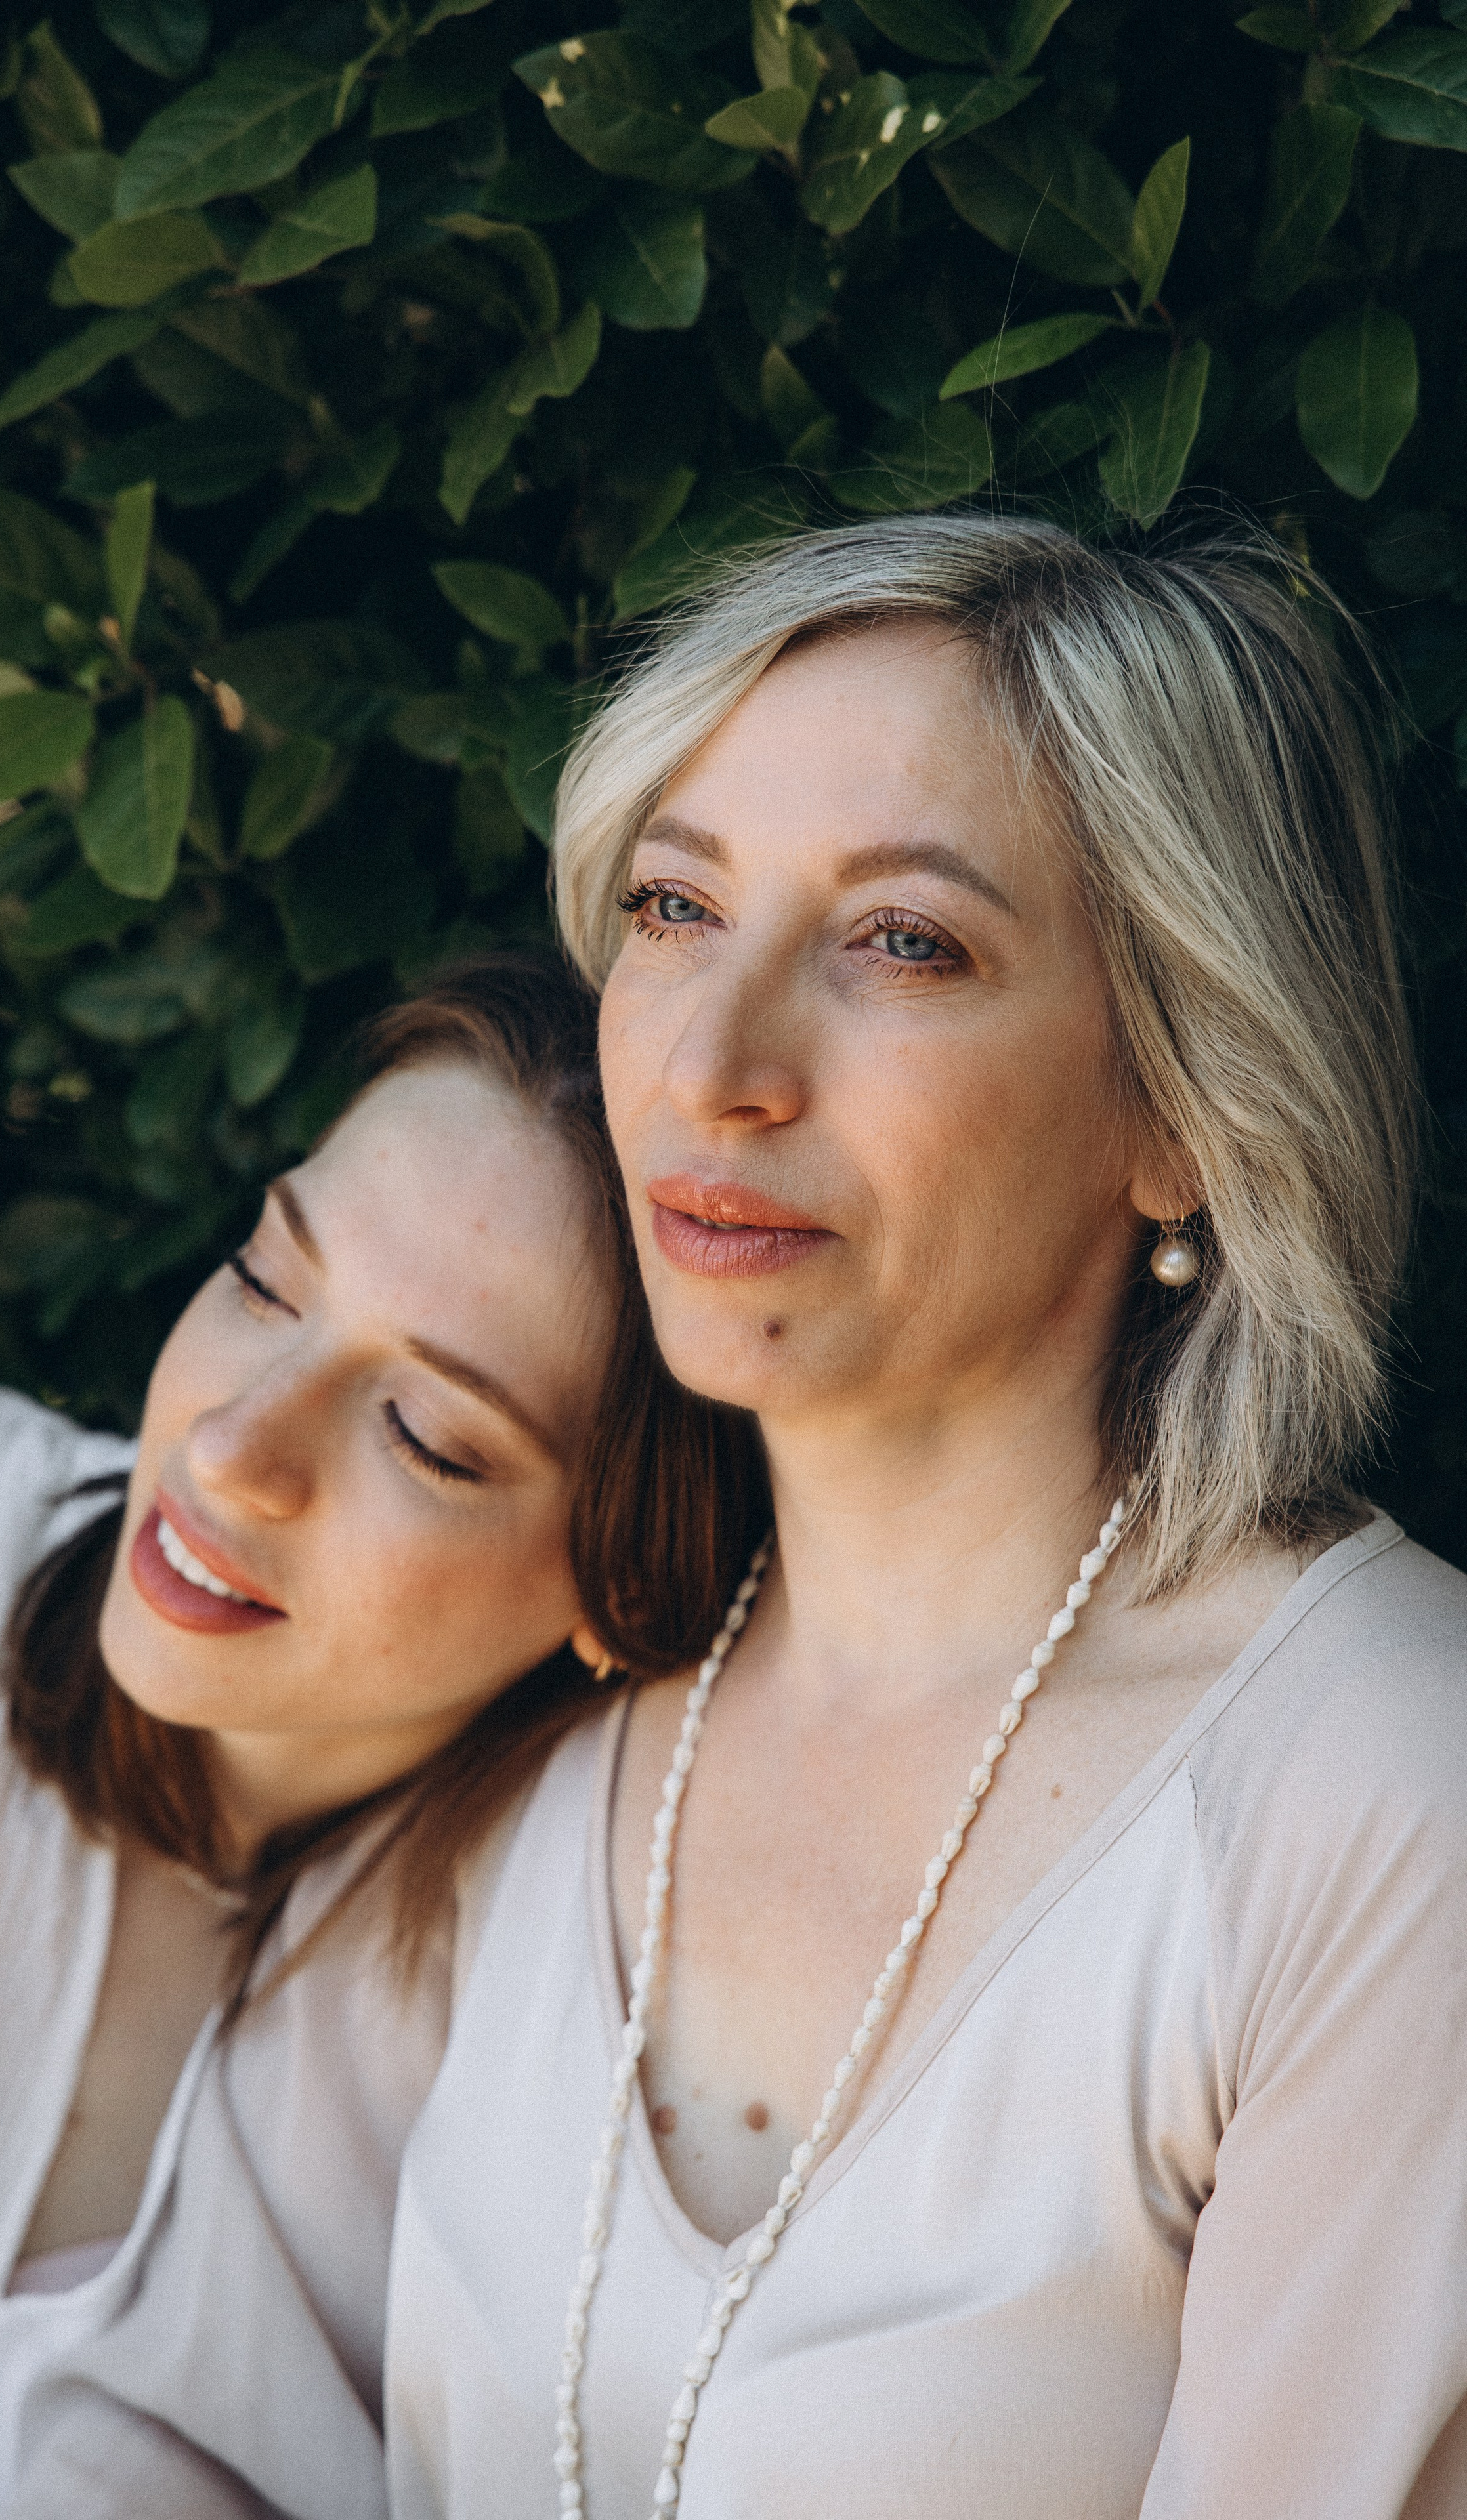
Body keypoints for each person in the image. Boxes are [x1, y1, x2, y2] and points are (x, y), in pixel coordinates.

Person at [379, 516, 1467, 2520]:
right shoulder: (555, 1722)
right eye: (675, 906)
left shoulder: (1378, 1786)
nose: (714, 1068)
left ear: (1187, 1109)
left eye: (907, 943)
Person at [0, 950, 761, 2520]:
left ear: (623, 1586)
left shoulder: (561, 2017)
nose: (234, 1451)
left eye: (426, 1439)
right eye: (263, 1279)